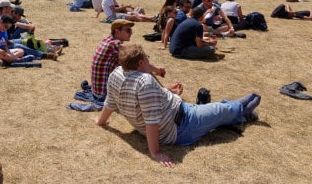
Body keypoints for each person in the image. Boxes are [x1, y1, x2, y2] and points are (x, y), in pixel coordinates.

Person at [93, 44, 261, 168]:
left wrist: (101, 121)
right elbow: (152, 122)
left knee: (215, 111)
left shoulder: (117, 74)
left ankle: (234, 111)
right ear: (141, 62)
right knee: (221, 110)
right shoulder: (145, 82)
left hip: (175, 111)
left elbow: (110, 102)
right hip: (181, 125)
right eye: (147, 58)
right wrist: (155, 153)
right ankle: (242, 111)